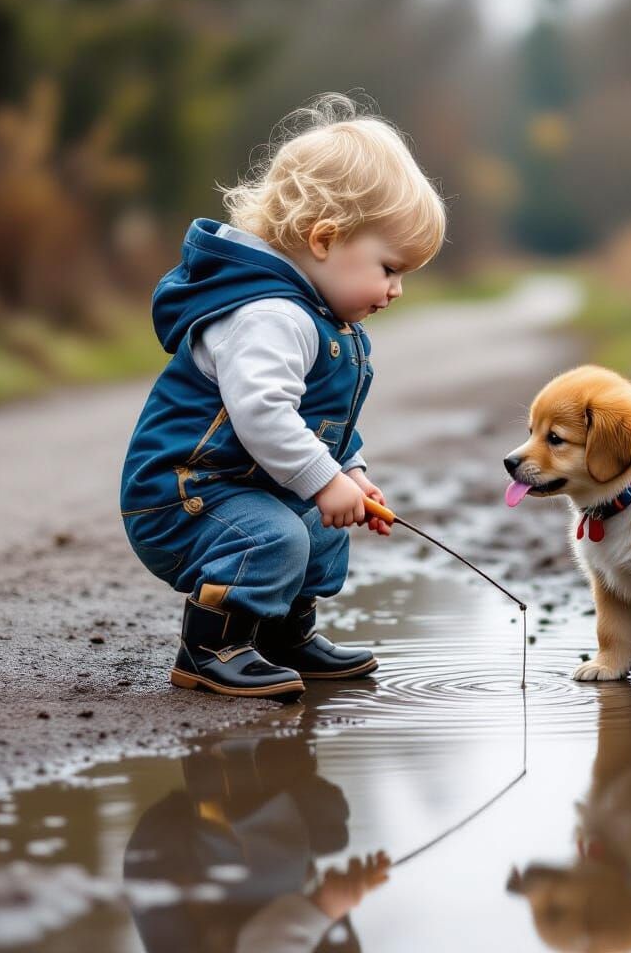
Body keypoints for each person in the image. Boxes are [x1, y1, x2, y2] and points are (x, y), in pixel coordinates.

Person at [120, 94, 446, 699]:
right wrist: (323, 480)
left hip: (238, 484)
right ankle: (211, 645)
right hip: (183, 491)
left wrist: (349, 471)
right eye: (390, 268)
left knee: (321, 528)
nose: (396, 290)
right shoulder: (269, 316)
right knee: (278, 534)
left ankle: (282, 637)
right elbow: (262, 414)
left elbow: (325, 421)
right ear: (325, 239)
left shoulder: (326, 321)